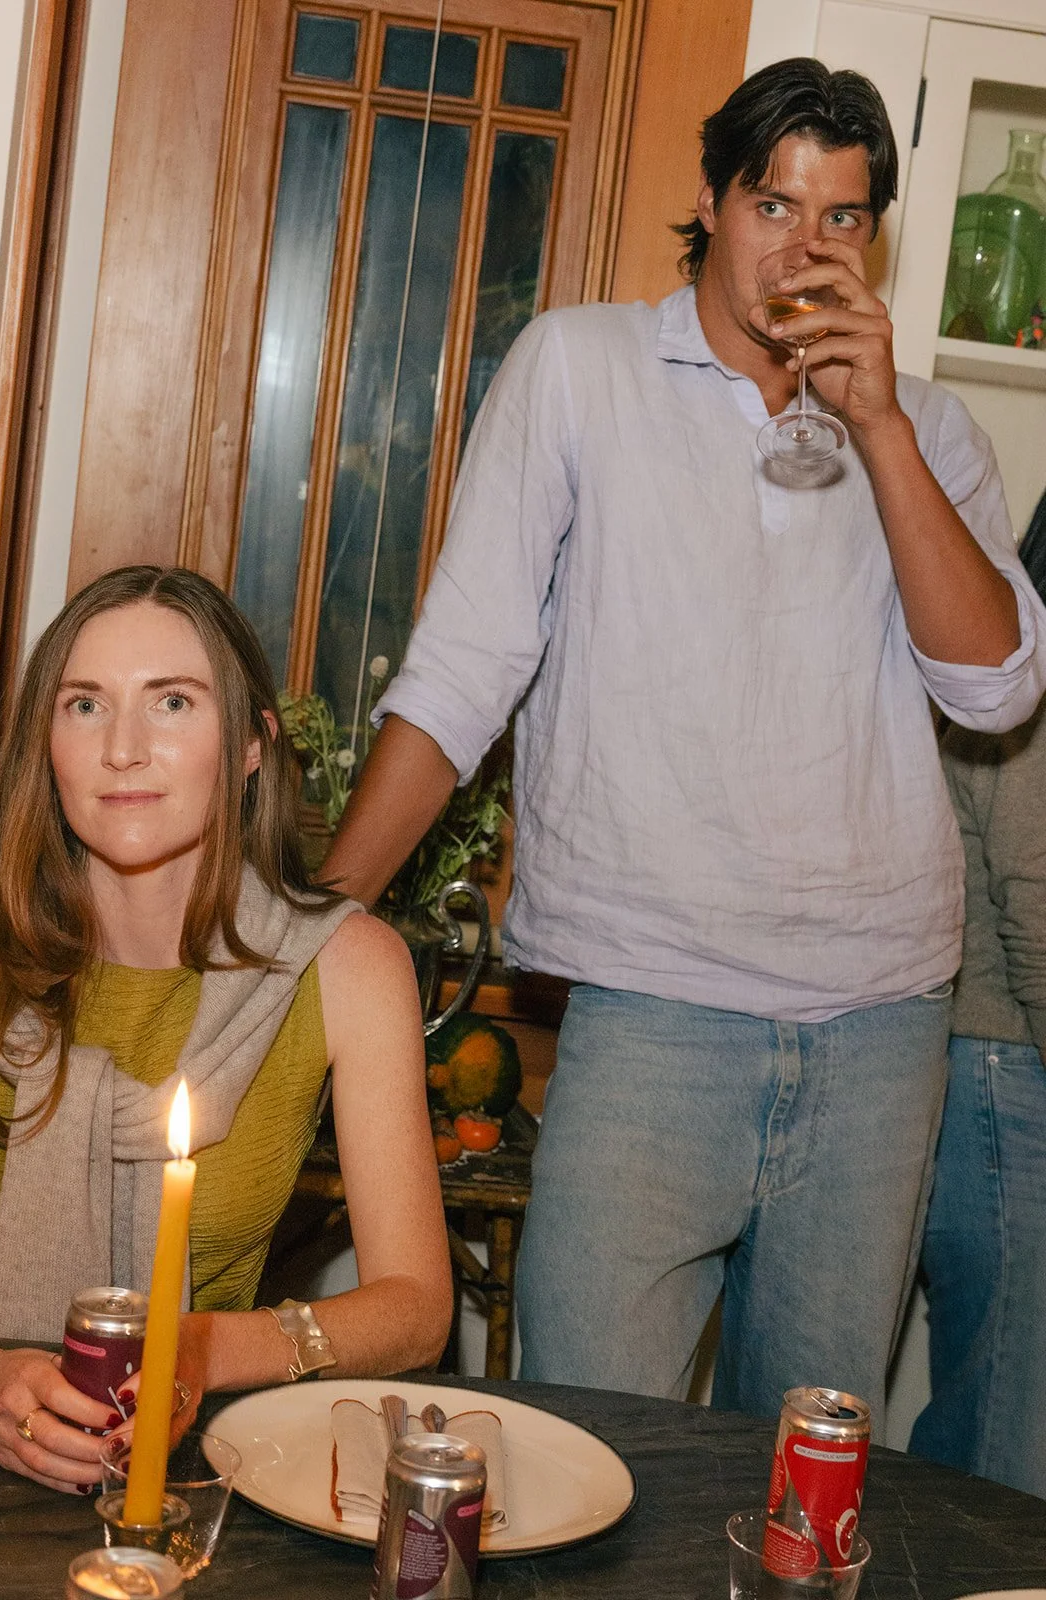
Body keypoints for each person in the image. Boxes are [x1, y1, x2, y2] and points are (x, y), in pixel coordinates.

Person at [321, 58, 1046, 1420]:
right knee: (580, 1454)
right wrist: (313, 919)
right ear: (712, 204)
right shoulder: (580, 369)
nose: (805, 246)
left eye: (842, 218)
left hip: (881, 1027)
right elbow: (467, 665)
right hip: (648, 1012)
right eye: (775, 204)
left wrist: (881, 428)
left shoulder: (931, 428)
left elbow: (996, 691)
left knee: (809, 1479)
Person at [0, 565, 451, 1493]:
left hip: (199, 1471)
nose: (123, 748)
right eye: (84, 706)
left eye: (172, 702)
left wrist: (204, 1348)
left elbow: (416, 1307)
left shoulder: (349, 969)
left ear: (252, 745)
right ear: (45, 743)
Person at [909, 491, 1046, 1498]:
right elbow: (1036, 915)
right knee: (1007, 1435)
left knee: (986, 1411)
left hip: (993, 1069)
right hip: (1008, 1076)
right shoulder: (1027, 692)